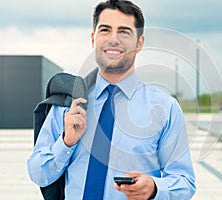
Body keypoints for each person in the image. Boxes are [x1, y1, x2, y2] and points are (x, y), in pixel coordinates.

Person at [27, 0, 196, 199]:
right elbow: (38, 174)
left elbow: (185, 181)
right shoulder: (67, 104)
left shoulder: (165, 109)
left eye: (124, 32)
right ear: (93, 38)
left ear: (139, 43)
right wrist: (66, 143)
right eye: (105, 30)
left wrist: (154, 188)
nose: (113, 39)